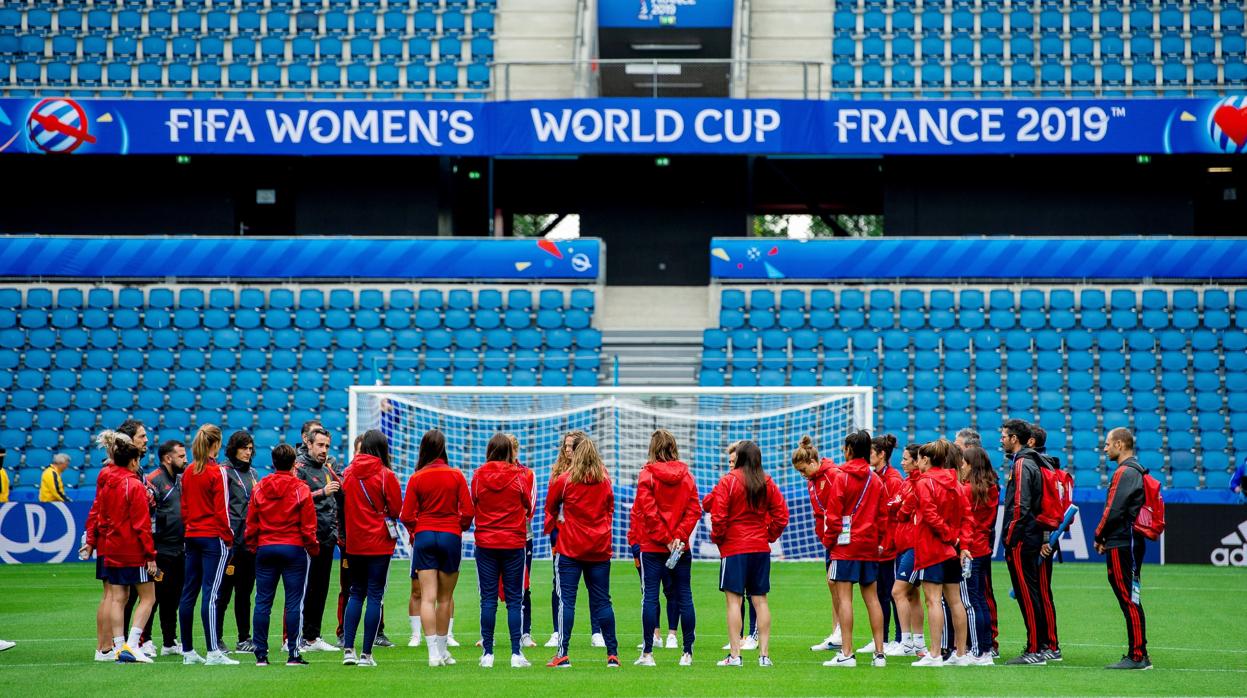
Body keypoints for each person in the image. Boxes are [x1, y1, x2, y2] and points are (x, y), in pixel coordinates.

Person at [709, 440, 788, 668]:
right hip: (759, 549)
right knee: (760, 601)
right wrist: (768, 536)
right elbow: (782, 514)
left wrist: (720, 538)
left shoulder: (728, 481)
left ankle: (735, 656)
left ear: (740, 457)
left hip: (735, 548)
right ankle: (764, 655)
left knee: (734, 602)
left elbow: (718, 516)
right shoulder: (766, 481)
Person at [399, 428, 473, 667]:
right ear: (443, 448)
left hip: (424, 536)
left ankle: (433, 654)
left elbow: (406, 514)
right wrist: (458, 526)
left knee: (427, 598)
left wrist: (416, 530)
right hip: (450, 535)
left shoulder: (417, 477)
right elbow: (469, 511)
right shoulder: (456, 475)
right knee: (444, 598)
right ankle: (442, 651)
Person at [544, 437, 619, 668]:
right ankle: (612, 655)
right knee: (603, 602)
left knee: (567, 601)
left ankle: (563, 654)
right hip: (598, 550)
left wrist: (556, 528)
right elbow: (610, 509)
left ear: (576, 454)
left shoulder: (565, 480)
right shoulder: (604, 480)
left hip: (570, 549)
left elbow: (550, 507)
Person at [818, 430, 889, 669]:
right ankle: (880, 653)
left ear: (849, 450)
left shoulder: (841, 477)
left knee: (845, 600)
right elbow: (882, 516)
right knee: (873, 600)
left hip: (845, 547)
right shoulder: (876, 479)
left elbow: (834, 516)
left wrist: (829, 541)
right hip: (869, 546)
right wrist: (878, 540)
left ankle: (847, 653)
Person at [630, 429, 700, 667]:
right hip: (680, 547)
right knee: (685, 596)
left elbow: (648, 512)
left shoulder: (646, 476)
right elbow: (694, 510)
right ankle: (687, 653)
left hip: (652, 546)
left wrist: (666, 538)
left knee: (650, 597)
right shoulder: (687, 476)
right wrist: (678, 538)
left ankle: (648, 653)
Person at [246, 443, 319, 667]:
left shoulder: (260, 487)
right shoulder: (301, 488)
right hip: (293, 548)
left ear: (273, 462)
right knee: (294, 602)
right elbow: (308, 525)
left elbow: (251, 522)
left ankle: (260, 654)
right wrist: (313, 547)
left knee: (262, 602)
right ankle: (293, 654)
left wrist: (253, 545)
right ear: (294, 464)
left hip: (266, 547)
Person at [83, 419, 148, 661]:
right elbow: (97, 507)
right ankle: (107, 647)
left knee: (114, 595)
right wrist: (91, 537)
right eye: (141, 436)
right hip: (118, 539)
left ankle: (108, 647)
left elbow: (97, 508)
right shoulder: (116, 472)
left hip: (108, 538)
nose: (146, 440)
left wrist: (91, 538)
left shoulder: (110, 471)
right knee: (114, 594)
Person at [339, 429, 403, 667]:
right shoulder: (386, 475)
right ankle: (366, 654)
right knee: (375, 595)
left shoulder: (348, 472)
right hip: (379, 542)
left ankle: (348, 649)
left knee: (355, 593)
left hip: (355, 542)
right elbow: (397, 509)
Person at [471, 433, 535, 668]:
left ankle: (488, 653)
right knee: (514, 600)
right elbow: (528, 504)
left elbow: (472, 502)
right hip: (512, 542)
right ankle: (516, 653)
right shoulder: (518, 475)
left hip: (486, 542)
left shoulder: (478, 475)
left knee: (487, 599)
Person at [177, 424, 238, 666]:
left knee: (189, 592)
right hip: (213, 537)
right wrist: (229, 537)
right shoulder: (218, 472)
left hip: (191, 535)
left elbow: (184, 508)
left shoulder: (189, 471)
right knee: (211, 594)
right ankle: (213, 651)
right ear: (217, 444)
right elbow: (222, 510)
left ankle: (188, 651)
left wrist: (190, 528)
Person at [96, 431, 157, 664]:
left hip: (112, 546)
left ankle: (119, 646)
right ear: (133, 461)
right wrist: (150, 556)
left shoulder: (106, 479)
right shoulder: (133, 485)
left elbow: (101, 515)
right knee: (148, 597)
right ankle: (132, 644)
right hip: (133, 548)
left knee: (117, 597)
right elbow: (142, 525)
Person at [1095, 428, 1153, 670]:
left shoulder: (1125, 471)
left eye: (1108, 444)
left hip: (1122, 541)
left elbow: (1114, 509)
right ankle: (1137, 652)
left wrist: (1099, 534)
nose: (1105, 448)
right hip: (1127, 540)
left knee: (1129, 598)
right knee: (1131, 596)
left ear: (1120, 444)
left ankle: (1138, 655)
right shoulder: (1135, 470)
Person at [911, 439, 969, 667]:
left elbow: (929, 514)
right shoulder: (956, 483)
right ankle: (961, 654)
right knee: (955, 601)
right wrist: (961, 543)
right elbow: (966, 517)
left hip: (932, 548)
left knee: (933, 600)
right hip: (951, 551)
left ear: (926, 459)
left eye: (918, 459)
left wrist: (949, 536)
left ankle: (935, 654)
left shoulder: (925, 483)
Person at [999, 419, 1051, 665]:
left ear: (1015, 439)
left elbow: (1021, 506)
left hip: (1022, 538)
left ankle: (1034, 650)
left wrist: (1010, 536)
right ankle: (1040, 645)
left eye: (1004, 435)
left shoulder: (1022, 464)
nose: (1001, 439)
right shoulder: (1034, 462)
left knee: (1026, 594)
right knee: (1031, 592)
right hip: (1030, 535)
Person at [543, 430, 599, 650]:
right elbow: (550, 506)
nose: (567, 450)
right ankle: (557, 632)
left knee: (594, 585)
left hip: (587, 536)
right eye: (565, 446)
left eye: (571, 446)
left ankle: (597, 632)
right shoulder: (557, 473)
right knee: (559, 584)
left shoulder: (594, 472)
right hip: (562, 535)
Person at [790, 436, 843, 654]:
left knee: (837, 584)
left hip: (840, 538)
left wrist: (831, 535)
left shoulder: (832, 476)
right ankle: (836, 633)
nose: (802, 475)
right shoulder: (813, 481)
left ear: (813, 462)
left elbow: (836, 510)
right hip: (829, 539)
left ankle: (842, 635)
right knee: (833, 586)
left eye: (803, 470)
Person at [711, 442, 763, 652]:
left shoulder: (757, 482)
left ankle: (751, 638)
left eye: (734, 461)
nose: (731, 464)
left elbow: (779, 513)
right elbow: (710, 503)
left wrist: (719, 537)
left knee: (751, 596)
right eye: (729, 461)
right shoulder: (728, 482)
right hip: (751, 544)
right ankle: (740, 638)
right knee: (742, 595)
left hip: (741, 545)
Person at [294, 424, 342, 653]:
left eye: (327, 446)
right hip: (307, 539)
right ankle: (296, 638)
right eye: (320, 445)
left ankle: (313, 636)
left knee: (320, 589)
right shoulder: (300, 468)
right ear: (309, 444)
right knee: (304, 590)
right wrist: (322, 492)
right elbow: (294, 499)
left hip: (326, 537)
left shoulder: (326, 468)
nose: (324, 450)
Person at [215, 430, 260, 653]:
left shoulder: (252, 473)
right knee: (223, 593)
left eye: (250, 448)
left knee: (244, 593)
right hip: (230, 542)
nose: (247, 452)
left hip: (249, 542)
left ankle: (244, 638)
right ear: (234, 449)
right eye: (244, 448)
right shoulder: (223, 472)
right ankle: (217, 638)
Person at [958, 445, 999, 665]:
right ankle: (986, 648)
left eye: (964, 463)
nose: (961, 467)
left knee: (970, 601)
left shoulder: (967, 490)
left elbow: (963, 521)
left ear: (971, 465)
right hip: (983, 547)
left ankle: (978, 651)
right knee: (980, 600)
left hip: (969, 550)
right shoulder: (991, 488)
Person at [146, 439, 187, 657]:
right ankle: (145, 639)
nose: (185, 459)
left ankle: (170, 641)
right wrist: (150, 551)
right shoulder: (153, 481)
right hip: (160, 550)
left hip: (179, 548)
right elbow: (146, 516)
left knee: (174, 597)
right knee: (154, 597)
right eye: (181, 456)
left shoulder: (181, 479)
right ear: (167, 458)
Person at [864, 433, 904, 657]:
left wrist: (886, 543)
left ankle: (899, 638)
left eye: (871, 452)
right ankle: (882, 638)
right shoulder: (875, 477)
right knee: (880, 593)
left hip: (890, 546)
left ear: (882, 455)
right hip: (878, 545)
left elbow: (893, 515)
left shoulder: (894, 479)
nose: (868, 456)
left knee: (892, 593)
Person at [1028, 424, 1063, 662]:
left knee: (1042, 592)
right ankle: (1046, 642)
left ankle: (1051, 644)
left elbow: (1047, 504)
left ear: (1030, 442)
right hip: (1043, 535)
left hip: (1042, 537)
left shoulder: (1041, 466)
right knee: (1040, 592)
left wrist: (1046, 538)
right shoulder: (1049, 464)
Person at [888, 443, 924, 656]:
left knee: (897, 592)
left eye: (905, 459)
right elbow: (893, 505)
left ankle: (907, 641)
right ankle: (918, 644)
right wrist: (898, 506)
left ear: (916, 461)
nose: (901, 463)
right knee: (912, 595)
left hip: (913, 545)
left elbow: (901, 511)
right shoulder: (906, 482)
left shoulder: (918, 483)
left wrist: (899, 506)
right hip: (903, 544)